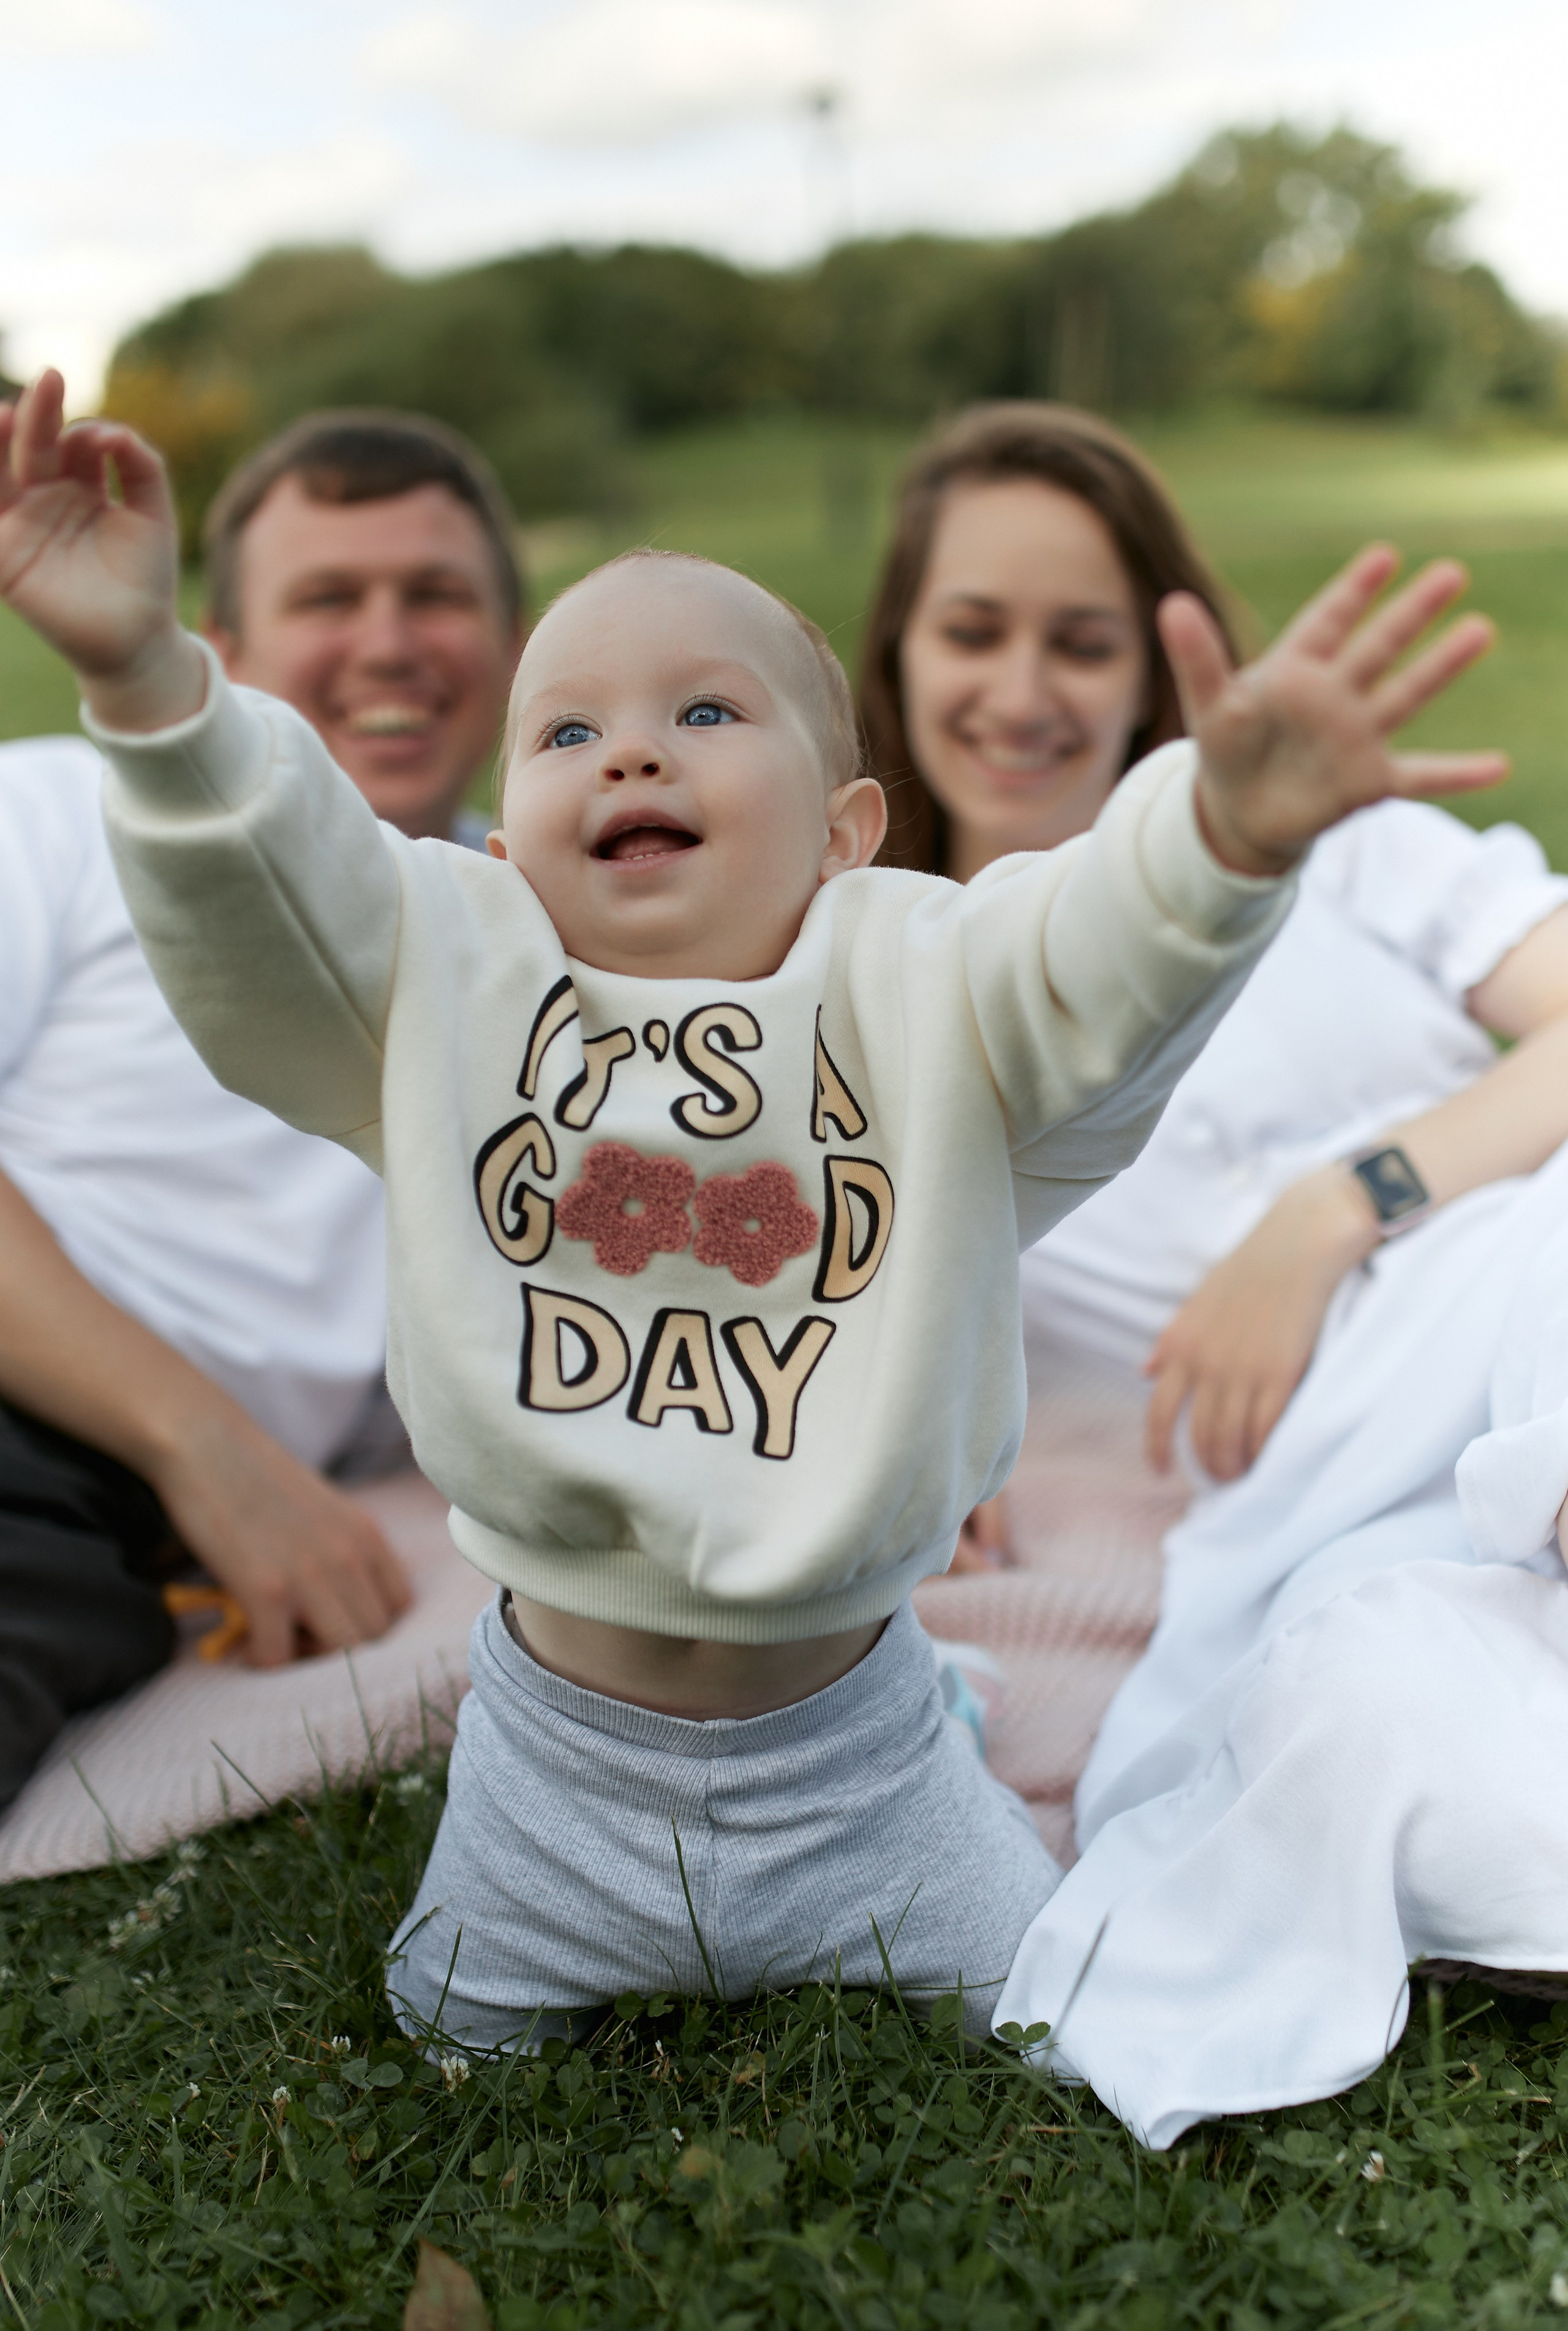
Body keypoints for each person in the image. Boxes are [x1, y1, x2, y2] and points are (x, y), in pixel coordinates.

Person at [0, 369, 1493, 2049]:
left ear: (853, 826)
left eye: (708, 713)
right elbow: (268, 894)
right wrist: (142, 677)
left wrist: (1220, 835)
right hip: (550, 1770)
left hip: (861, 1768)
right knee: (452, 2027)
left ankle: (957, 1733)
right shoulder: (450, 980)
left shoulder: (926, 983)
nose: (631, 744)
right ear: (507, 843)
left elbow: (1095, 964)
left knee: (1052, 2012)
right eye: (568, 731)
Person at [859, 398, 1568, 2137]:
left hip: (1520, 1268)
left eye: (1079, 639)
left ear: (1154, 668)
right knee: (1377, 1715)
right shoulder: (878, 978)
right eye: (974, 630)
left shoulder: (1341, 847)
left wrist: (1338, 1205)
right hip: (1323, 1483)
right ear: (897, 651)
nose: (1023, 688)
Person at [0, 402, 522, 1809]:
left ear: (515, 648)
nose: (389, 641)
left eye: (435, 595)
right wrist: (201, 1441)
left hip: (101, 1550)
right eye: (328, 598)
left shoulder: (550, 937)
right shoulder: (56, 810)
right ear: (218, 653)